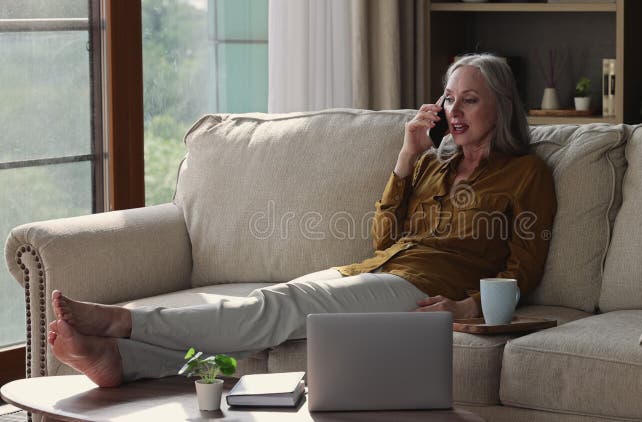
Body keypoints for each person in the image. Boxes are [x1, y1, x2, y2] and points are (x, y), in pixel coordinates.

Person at [48, 53, 557, 387]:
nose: (456, 109)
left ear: (502, 105)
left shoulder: (525, 174)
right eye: (449, 97)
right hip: (373, 270)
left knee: (281, 303)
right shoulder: (431, 161)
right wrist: (405, 156)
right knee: (270, 319)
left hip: (422, 289)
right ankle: (125, 362)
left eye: (470, 98)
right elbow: (384, 236)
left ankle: (123, 321)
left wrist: (467, 306)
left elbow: (524, 269)